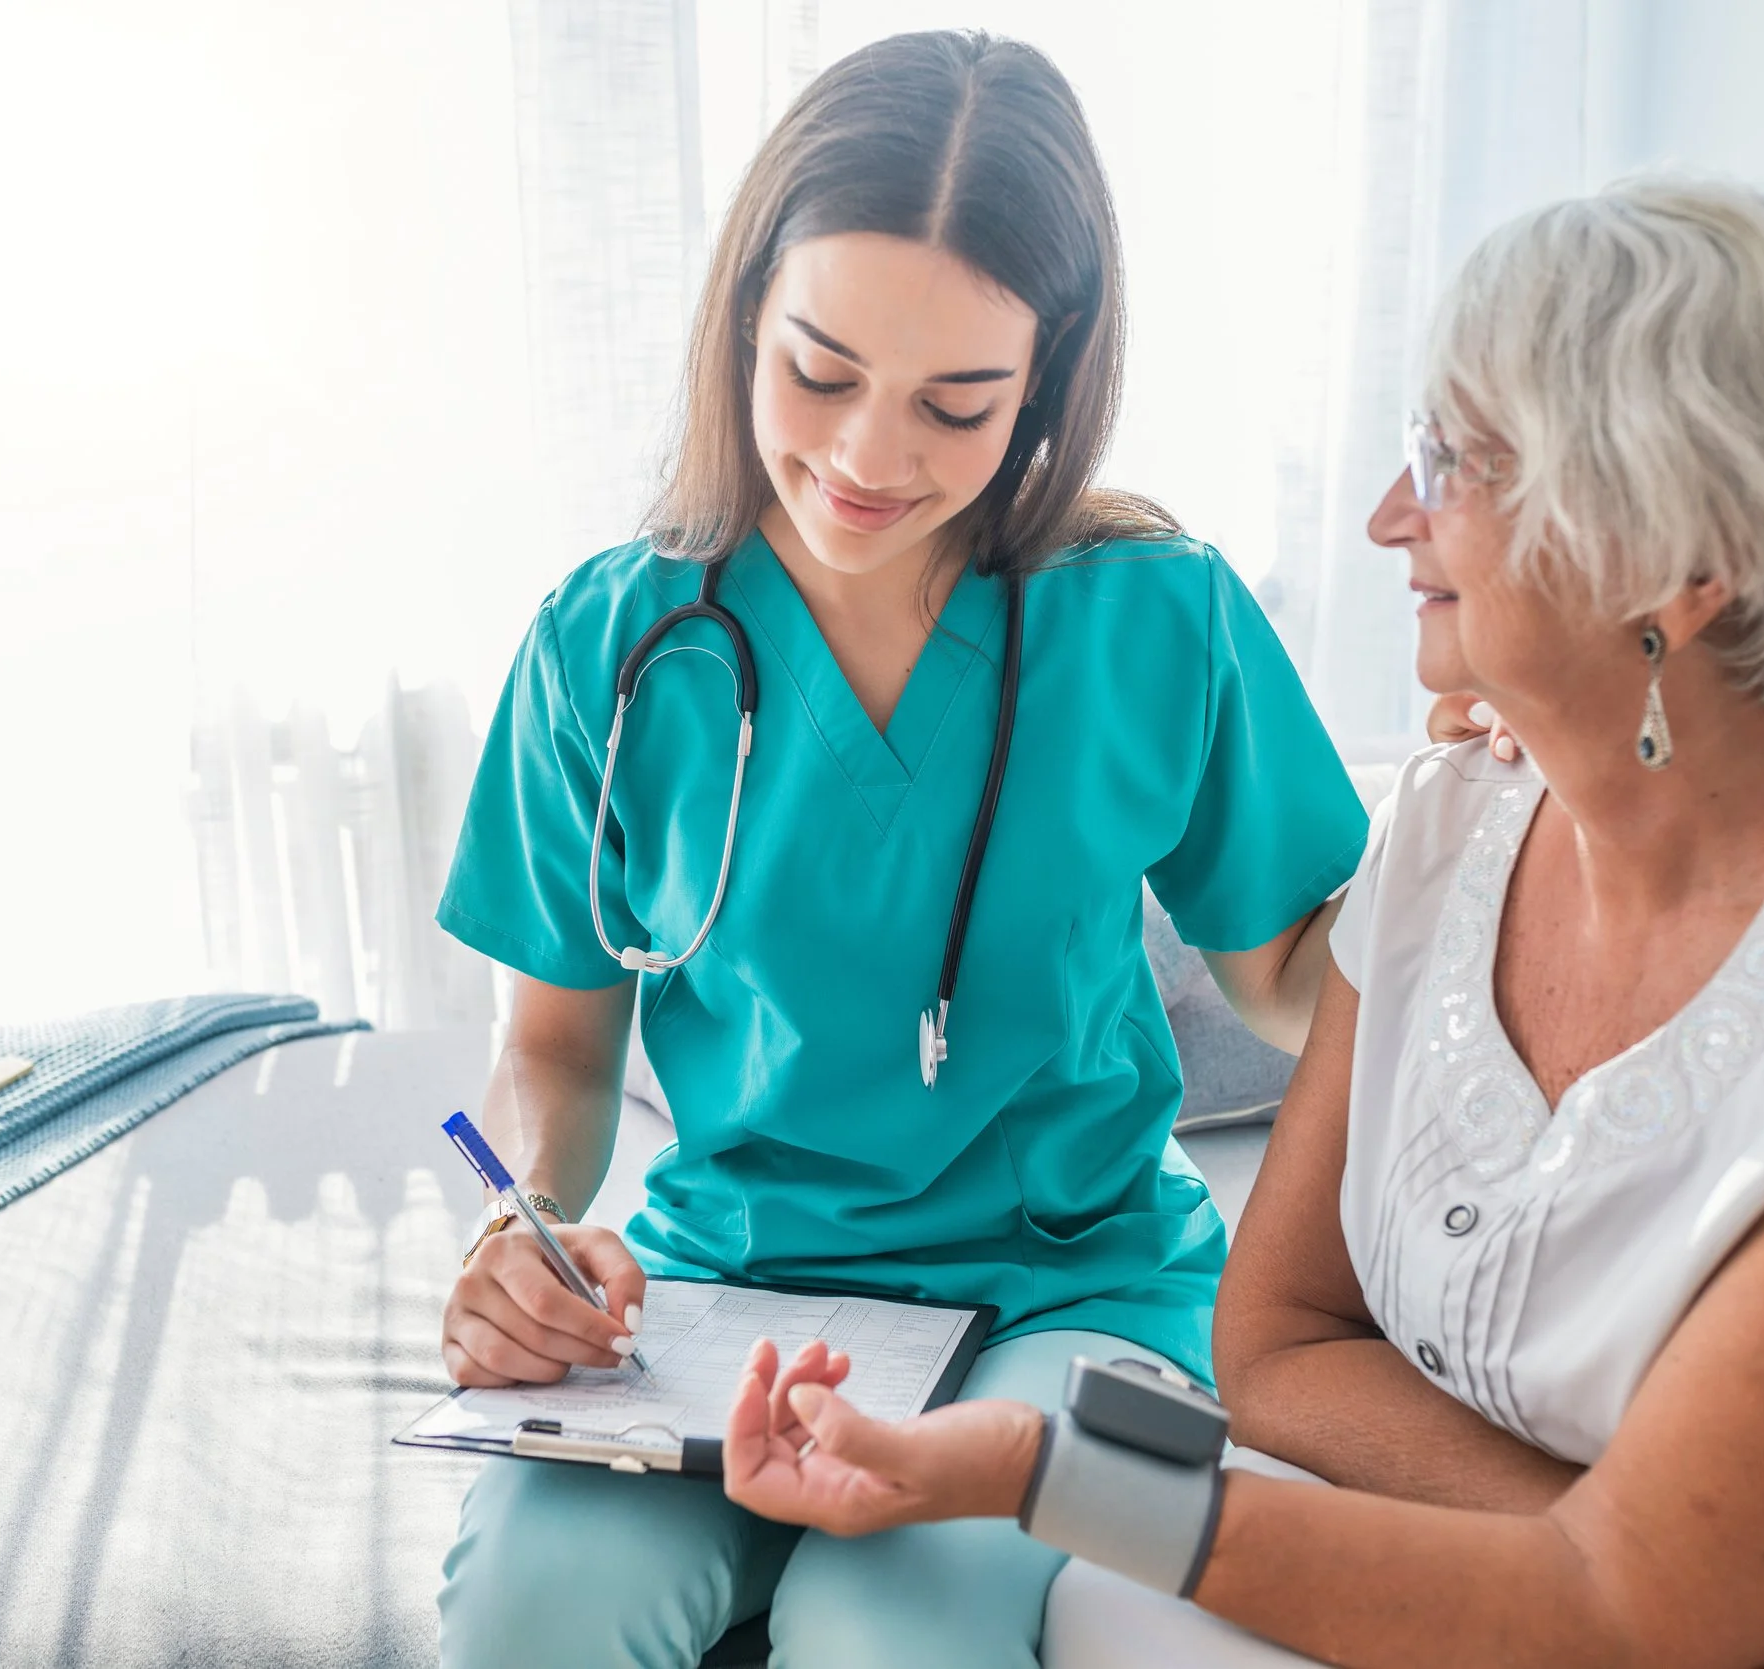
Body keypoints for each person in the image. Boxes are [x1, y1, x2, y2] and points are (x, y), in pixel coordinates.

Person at [718, 180, 1764, 1669]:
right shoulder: (1457, 820)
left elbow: (1618, 1617)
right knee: (1114, 1611)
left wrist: (1044, 1469)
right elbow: (1277, 1348)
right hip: (1671, 1608)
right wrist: (1666, 1569)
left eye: (1454, 462)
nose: (1390, 516)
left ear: (1689, 554)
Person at [432, 30, 1368, 1668]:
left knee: (893, 1632)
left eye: (957, 404)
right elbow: (555, 1048)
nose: (868, 459)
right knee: (534, 1608)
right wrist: (522, 1225)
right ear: (741, 323)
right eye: (819, 371)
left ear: (1053, 382)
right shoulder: (609, 642)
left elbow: (1301, 974)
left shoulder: (1159, 615)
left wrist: (1525, 845)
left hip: (1087, 1304)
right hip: (723, 1291)